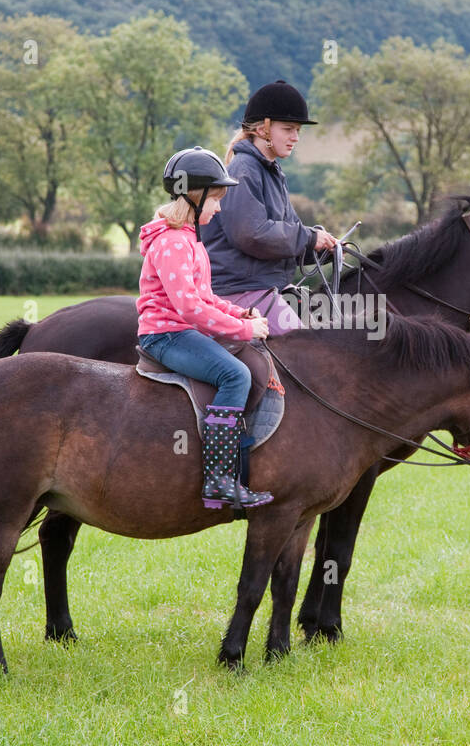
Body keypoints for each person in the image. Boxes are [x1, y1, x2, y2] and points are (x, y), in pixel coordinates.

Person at [136, 146, 274, 510]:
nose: (219, 207)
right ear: (195, 198)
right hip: (165, 336)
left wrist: (240, 313)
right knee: (236, 376)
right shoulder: (172, 242)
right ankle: (219, 480)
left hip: (182, 331)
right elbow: (189, 307)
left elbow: (206, 297)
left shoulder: (190, 240)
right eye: (215, 199)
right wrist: (244, 332)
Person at [201, 80, 338, 333]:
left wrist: (321, 249)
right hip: (238, 289)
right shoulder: (244, 171)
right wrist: (308, 238)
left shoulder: (272, 173)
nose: (295, 137)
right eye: (288, 129)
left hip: (266, 286)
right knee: (302, 352)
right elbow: (252, 235)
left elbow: (285, 237)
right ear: (264, 129)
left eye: (297, 130)